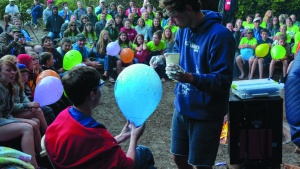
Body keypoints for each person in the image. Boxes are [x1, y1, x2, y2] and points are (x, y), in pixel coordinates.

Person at [151, 0, 235, 168]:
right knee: (178, 157)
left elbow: (223, 81)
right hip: (182, 106)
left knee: (200, 165)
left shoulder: (220, 35)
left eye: (174, 16)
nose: (172, 21)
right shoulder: (183, 31)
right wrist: (163, 58)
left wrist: (190, 78)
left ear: (188, 9)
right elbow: (178, 54)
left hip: (207, 113)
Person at [45, 66, 156, 168]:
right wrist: (134, 137)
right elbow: (127, 165)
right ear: (92, 95)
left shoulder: (64, 115)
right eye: (100, 87)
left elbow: (93, 150)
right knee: (144, 153)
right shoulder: (94, 133)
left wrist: (122, 136)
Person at [0, 60, 40, 168]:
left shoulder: (8, 87)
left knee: (34, 122)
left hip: (5, 119)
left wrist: (28, 105)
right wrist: (17, 120)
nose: (13, 72)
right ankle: (34, 166)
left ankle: (41, 154)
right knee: (27, 128)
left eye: (14, 70)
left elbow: (8, 110)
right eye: (8, 70)